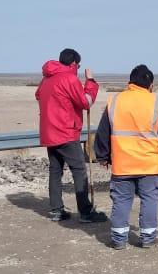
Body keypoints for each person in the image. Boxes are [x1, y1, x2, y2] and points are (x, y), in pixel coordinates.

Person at [94, 65, 158, 249]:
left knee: (121, 201)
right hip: (150, 165)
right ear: (151, 84)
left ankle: (118, 240)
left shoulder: (115, 101)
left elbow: (103, 132)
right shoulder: (157, 103)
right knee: (149, 200)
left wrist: (103, 156)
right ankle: (148, 239)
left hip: (122, 164)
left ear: (130, 82)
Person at [36, 48, 107, 223]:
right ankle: (85, 212)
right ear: (74, 63)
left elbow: (38, 95)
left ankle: (57, 210)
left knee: (55, 170)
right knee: (79, 170)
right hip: (66, 131)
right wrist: (90, 82)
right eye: (78, 65)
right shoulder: (69, 78)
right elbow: (85, 102)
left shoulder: (46, 79)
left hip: (49, 132)